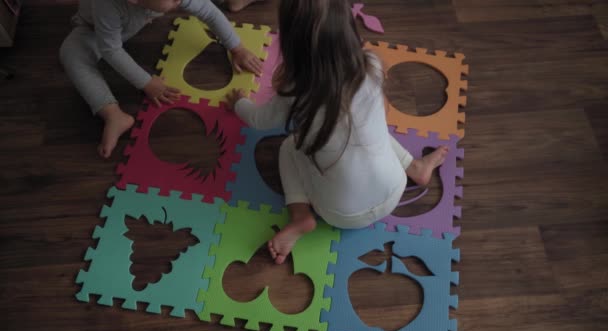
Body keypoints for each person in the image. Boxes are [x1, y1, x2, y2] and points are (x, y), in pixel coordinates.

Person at [226, 0, 448, 265]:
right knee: (369, 130)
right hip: (394, 188)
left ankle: (300, 216)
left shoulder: (294, 91)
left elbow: (259, 120)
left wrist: (239, 103)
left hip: (341, 214)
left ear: (291, 45)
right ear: (349, 32)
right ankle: (415, 167)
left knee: (289, 147)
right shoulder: (372, 67)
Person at [60, 0, 263, 158]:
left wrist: (237, 48)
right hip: (93, 30)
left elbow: (209, 12)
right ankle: (112, 114)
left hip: (132, 21)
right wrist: (146, 82)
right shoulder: (107, 5)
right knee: (70, 53)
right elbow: (111, 49)